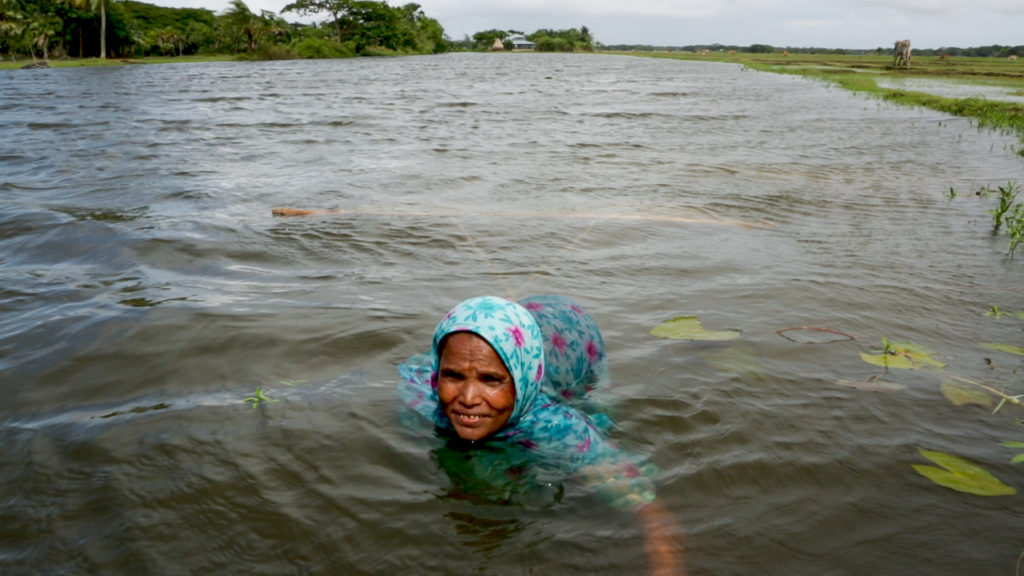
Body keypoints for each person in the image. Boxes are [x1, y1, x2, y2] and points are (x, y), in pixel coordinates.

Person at [398, 295, 685, 574]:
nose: (469, 397)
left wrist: (664, 563)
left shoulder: (556, 429)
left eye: (491, 379)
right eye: (453, 376)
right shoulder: (422, 396)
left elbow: (649, 510)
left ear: (523, 382)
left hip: (571, 334)